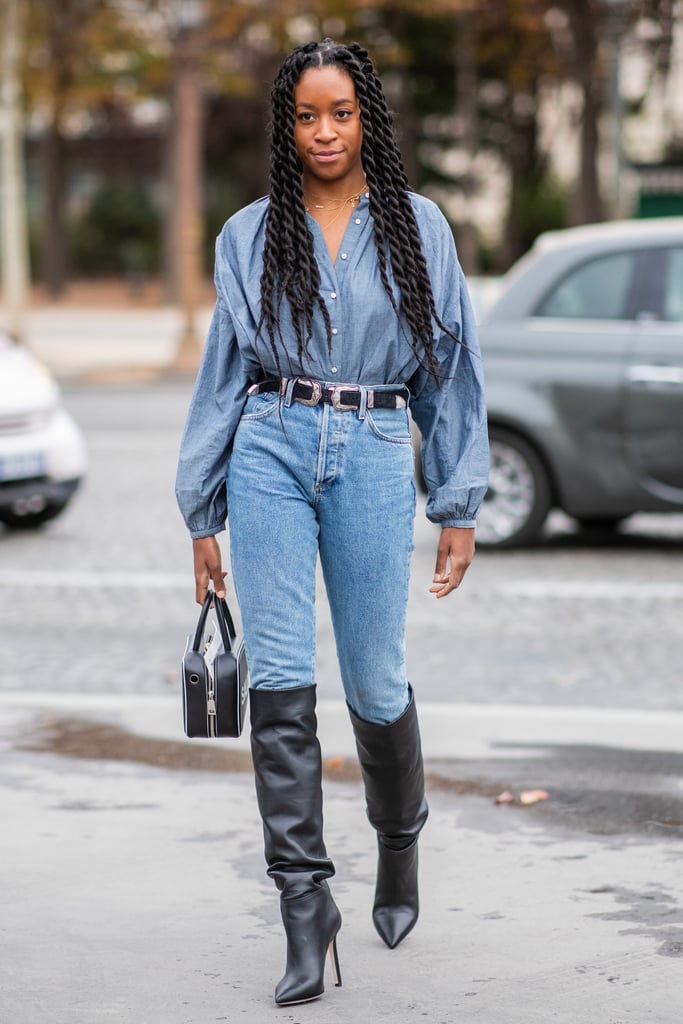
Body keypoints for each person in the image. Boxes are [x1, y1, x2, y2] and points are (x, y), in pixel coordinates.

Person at [175, 38, 489, 1007]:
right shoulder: (245, 234)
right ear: (285, 125)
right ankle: (305, 909)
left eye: (340, 113)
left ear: (367, 121)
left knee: (373, 677)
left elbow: (446, 363)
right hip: (269, 442)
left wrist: (456, 501)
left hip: (371, 448)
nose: (322, 131)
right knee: (278, 678)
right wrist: (201, 513)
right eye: (305, 115)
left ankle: (398, 846)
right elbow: (223, 374)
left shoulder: (420, 228)